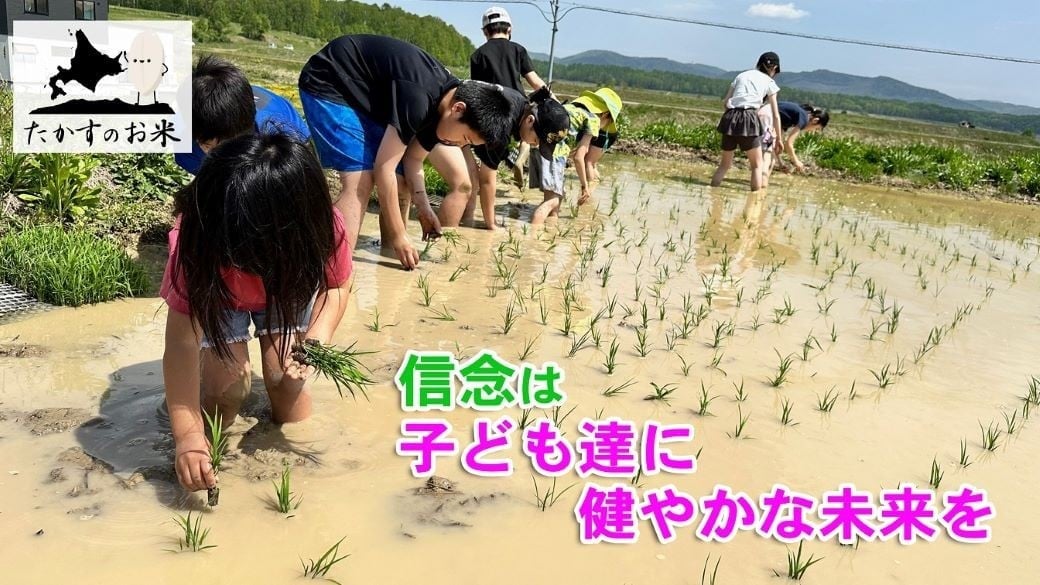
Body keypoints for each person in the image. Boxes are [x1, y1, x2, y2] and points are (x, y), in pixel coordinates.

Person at [161, 133, 353, 493]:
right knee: (227, 392)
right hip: (218, 293)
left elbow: (336, 287)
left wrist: (314, 343)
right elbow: (182, 343)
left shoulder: (323, 226)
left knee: (287, 383)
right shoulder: (195, 239)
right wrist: (187, 436)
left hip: (287, 287)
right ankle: (205, 447)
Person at [298, 34, 516, 270]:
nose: (456, 144)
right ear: (458, 109)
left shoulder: (443, 110)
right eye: (464, 138)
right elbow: (384, 168)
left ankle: (389, 252)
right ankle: (333, 274)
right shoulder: (419, 100)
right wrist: (402, 235)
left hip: (367, 98)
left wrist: (423, 207)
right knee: (361, 179)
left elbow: (413, 159)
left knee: (402, 183)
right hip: (329, 80)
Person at [439, 87, 569, 230]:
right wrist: (491, 224)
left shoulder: (519, 103)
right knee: (463, 185)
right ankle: (445, 234)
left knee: (472, 180)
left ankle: (466, 221)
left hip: (458, 123)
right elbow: (487, 180)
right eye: (538, 139)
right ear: (530, 120)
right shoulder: (504, 123)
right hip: (443, 118)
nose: (536, 144)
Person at [175, 55, 310, 175]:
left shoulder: (281, 131)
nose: (222, 154)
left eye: (230, 146)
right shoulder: (187, 149)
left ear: (248, 130)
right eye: (208, 147)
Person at [468, 6, 547, 201]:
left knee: (490, 157)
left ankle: (485, 195)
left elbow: (478, 89)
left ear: (485, 31)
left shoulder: (478, 55)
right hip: (519, 108)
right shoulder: (518, 50)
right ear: (509, 29)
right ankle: (520, 158)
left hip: (494, 111)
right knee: (527, 135)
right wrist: (551, 101)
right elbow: (535, 82)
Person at [530, 87, 623, 225]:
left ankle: (550, 232)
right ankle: (532, 238)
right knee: (552, 201)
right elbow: (579, 158)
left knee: (555, 202)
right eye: (607, 124)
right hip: (553, 153)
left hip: (537, 150)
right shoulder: (593, 119)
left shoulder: (570, 107)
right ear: (605, 115)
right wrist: (585, 186)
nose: (603, 127)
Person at [710, 51, 783, 192]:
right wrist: (779, 138)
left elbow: (726, 102)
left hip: (730, 117)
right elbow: (775, 115)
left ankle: (712, 194)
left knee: (724, 165)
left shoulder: (741, 75)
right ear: (774, 68)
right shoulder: (770, 82)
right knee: (757, 165)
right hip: (749, 118)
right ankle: (754, 201)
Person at [773, 102, 830, 174]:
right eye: (816, 128)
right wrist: (796, 161)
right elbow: (789, 144)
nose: (813, 131)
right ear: (815, 121)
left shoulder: (792, 117)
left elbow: (777, 144)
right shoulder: (804, 118)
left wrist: (781, 164)